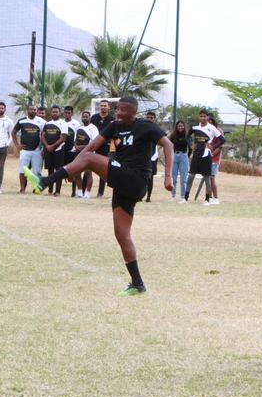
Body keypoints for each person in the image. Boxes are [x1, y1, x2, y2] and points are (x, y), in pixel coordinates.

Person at [26, 96, 173, 296]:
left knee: (90, 159)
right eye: (117, 109)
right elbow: (92, 146)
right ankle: (137, 283)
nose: (118, 113)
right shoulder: (114, 126)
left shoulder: (146, 126)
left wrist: (168, 176)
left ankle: (44, 182)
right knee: (121, 234)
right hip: (122, 183)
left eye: (123, 110)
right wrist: (74, 167)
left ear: (133, 111)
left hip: (136, 178)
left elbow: (168, 145)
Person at [186, 110, 222, 204]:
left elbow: (222, 140)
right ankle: (185, 198)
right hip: (196, 154)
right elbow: (187, 136)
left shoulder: (212, 128)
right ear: (199, 117)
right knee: (191, 175)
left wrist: (213, 147)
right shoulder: (195, 127)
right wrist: (191, 145)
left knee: (207, 177)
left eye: (204, 116)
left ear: (207, 117)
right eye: (201, 116)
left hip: (206, 155)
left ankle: (207, 200)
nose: (203, 118)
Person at [12, 104, 43, 193]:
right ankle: (22, 189)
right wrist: (17, 145)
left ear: (36, 111)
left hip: (37, 151)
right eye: (31, 109)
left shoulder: (41, 121)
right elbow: (13, 132)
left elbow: (44, 135)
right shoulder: (21, 121)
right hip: (25, 151)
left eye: (34, 110)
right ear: (27, 110)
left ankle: (36, 189)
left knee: (37, 171)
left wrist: (41, 146)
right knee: (23, 170)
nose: (33, 111)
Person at [89, 99, 114, 198]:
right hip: (93, 145)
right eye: (101, 105)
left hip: (105, 147)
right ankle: (85, 191)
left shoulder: (111, 119)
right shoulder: (94, 117)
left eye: (105, 106)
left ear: (109, 107)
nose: (103, 107)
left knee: (103, 169)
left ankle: (100, 192)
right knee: (88, 167)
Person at [41, 105, 67, 196]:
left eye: (56, 112)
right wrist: (47, 146)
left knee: (59, 171)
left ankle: (57, 191)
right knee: (50, 171)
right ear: (51, 113)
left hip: (58, 150)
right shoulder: (47, 124)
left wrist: (53, 146)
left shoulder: (63, 123)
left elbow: (63, 137)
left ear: (60, 113)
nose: (54, 113)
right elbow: (42, 136)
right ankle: (50, 191)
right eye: (53, 112)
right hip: (48, 150)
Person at [74, 110, 100, 199]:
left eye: (86, 116)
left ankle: (87, 194)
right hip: (78, 154)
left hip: (88, 154)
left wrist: (82, 148)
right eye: (83, 117)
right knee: (77, 173)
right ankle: (80, 193)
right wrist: (76, 146)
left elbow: (94, 143)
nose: (84, 118)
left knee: (88, 174)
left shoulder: (93, 128)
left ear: (90, 118)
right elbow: (75, 140)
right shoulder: (79, 128)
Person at [168, 121, 190, 202]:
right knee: (173, 178)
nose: (180, 127)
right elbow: (168, 145)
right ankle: (173, 196)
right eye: (179, 126)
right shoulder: (173, 136)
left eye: (182, 126)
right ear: (176, 127)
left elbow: (190, 148)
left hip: (183, 156)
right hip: (174, 156)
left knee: (183, 179)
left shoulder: (187, 136)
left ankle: (183, 197)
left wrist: (187, 156)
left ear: (184, 127)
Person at [60, 106, 79, 197]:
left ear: (72, 114)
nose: (67, 114)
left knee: (73, 171)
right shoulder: (61, 122)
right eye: (66, 113)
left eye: (69, 113)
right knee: (60, 170)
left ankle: (73, 192)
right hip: (61, 150)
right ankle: (57, 191)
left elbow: (78, 137)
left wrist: (76, 147)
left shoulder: (76, 124)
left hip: (72, 151)